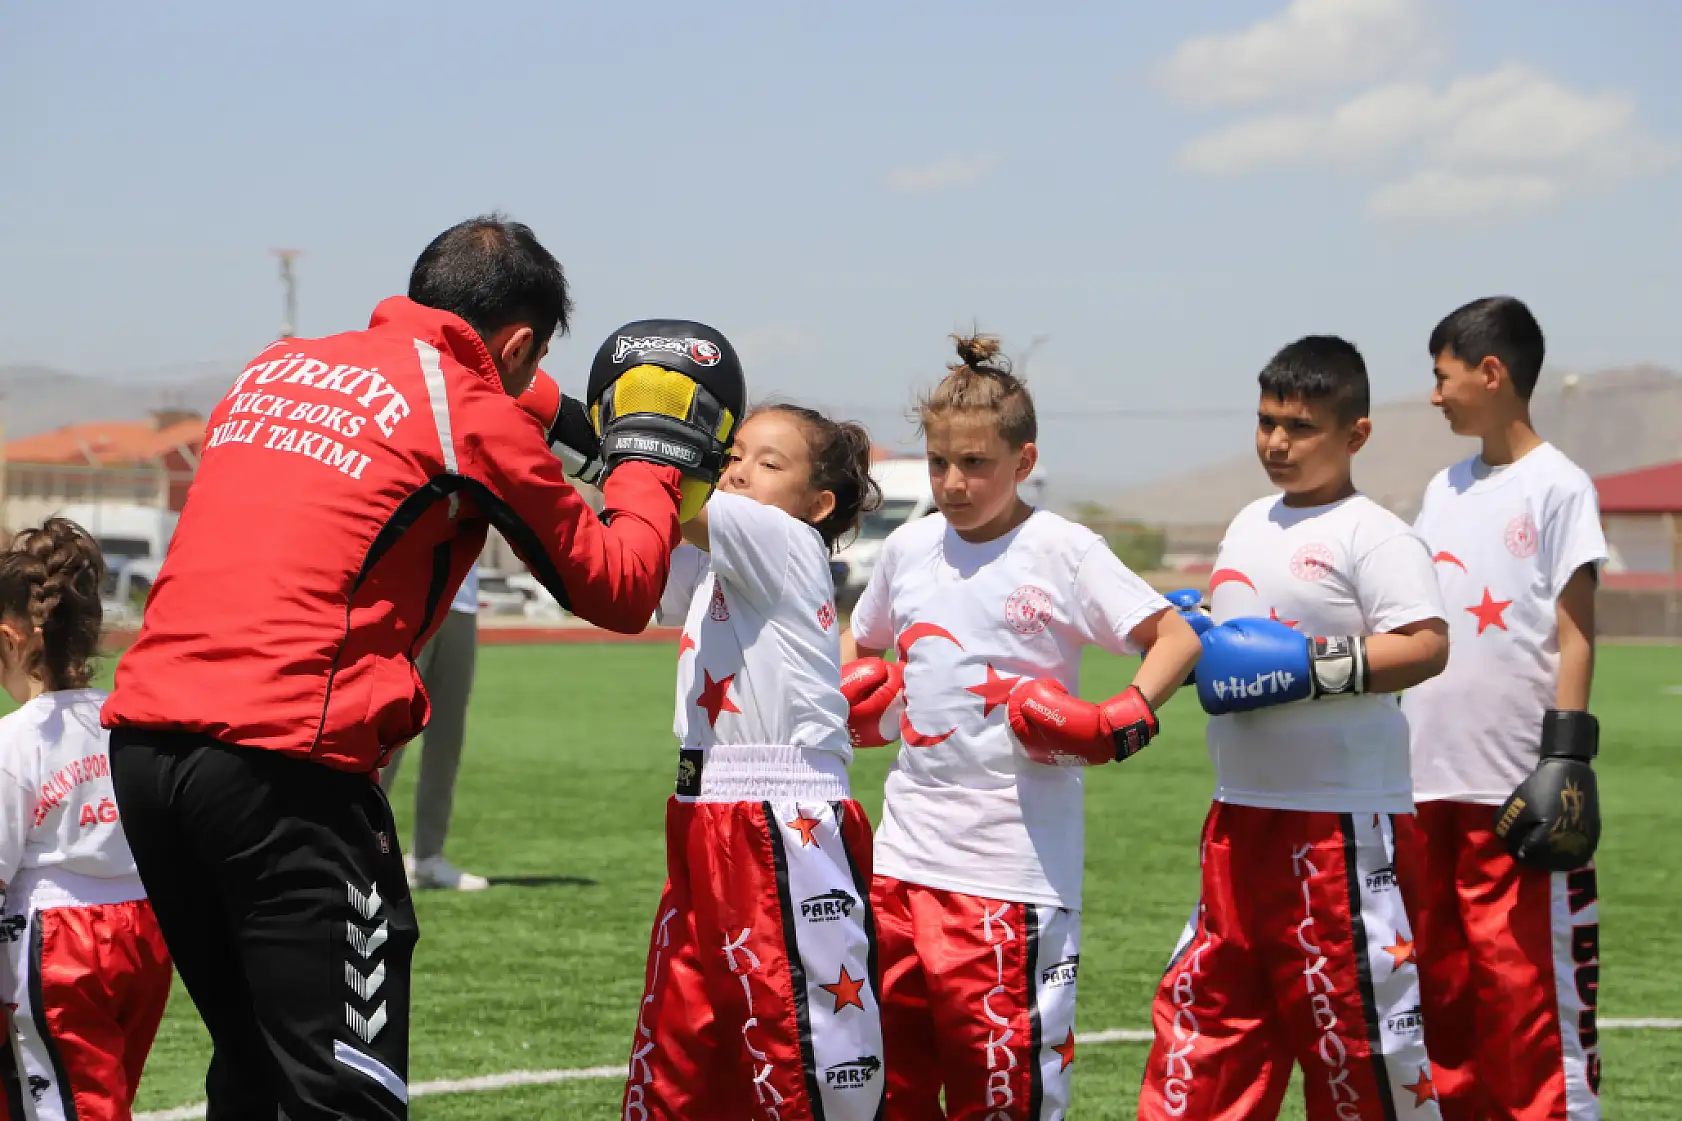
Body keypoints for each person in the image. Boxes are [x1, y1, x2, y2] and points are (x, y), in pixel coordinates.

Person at [102, 215, 747, 1120]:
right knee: (345, 1096)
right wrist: (647, 460)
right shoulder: (466, 413)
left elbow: (459, 399)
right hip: (287, 768)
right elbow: (621, 586)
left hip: (145, 749)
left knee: (252, 1072)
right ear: (520, 342)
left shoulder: (277, 365)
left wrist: (558, 410)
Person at [840, 335, 1202, 1120]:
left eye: (975, 463)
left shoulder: (1063, 551)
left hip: (1009, 880)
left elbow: (1175, 637)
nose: (953, 482)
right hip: (902, 866)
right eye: (939, 462)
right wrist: (855, 695)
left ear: (1023, 458)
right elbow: (860, 641)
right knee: (888, 1087)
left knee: (1000, 1096)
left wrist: (1123, 721)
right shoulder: (907, 549)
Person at [1138, 336, 1450, 1121]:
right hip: (1240, 817)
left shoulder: (1374, 533)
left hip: (1341, 826)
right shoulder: (1249, 520)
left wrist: (1314, 667)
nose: (1276, 441)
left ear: (1356, 434)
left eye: (1300, 426)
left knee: (1358, 1048)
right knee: (1204, 1029)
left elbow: (1426, 644)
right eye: (1266, 420)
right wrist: (1198, 634)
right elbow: (1244, 647)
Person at [621, 403, 885, 1121]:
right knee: (681, 1045)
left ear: (817, 504)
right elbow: (632, 566)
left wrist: (618, 425)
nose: (737, 467)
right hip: (703, 812)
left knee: (797, 1052)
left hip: (776, 820)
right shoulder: (718, 558)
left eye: (769, 463)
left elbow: (674, 494)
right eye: (735, 452)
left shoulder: (786, 538)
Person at [1395, 297, 1606, 1121]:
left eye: (1442, 375)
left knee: (1523, 991)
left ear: (1491, 373)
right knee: (1440, 987)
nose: (1434, 393)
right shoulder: (1441, 487)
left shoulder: (1560, 486)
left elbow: (1576, 630)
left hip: (1516, 787)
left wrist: (1567, 759)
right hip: (1425, 779)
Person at [0, 519, 171, 1120]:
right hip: (146, 934)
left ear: (9, 640)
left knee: (65, 1108)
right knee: (104, 1098)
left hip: (56, 944)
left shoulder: (15, 741)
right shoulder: (129, 724)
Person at [379, 559, 486, 892]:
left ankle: (428, 857)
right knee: (389, 736)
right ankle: (353, 853)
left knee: (447, 738)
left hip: (462, 603)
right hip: (407, 596)